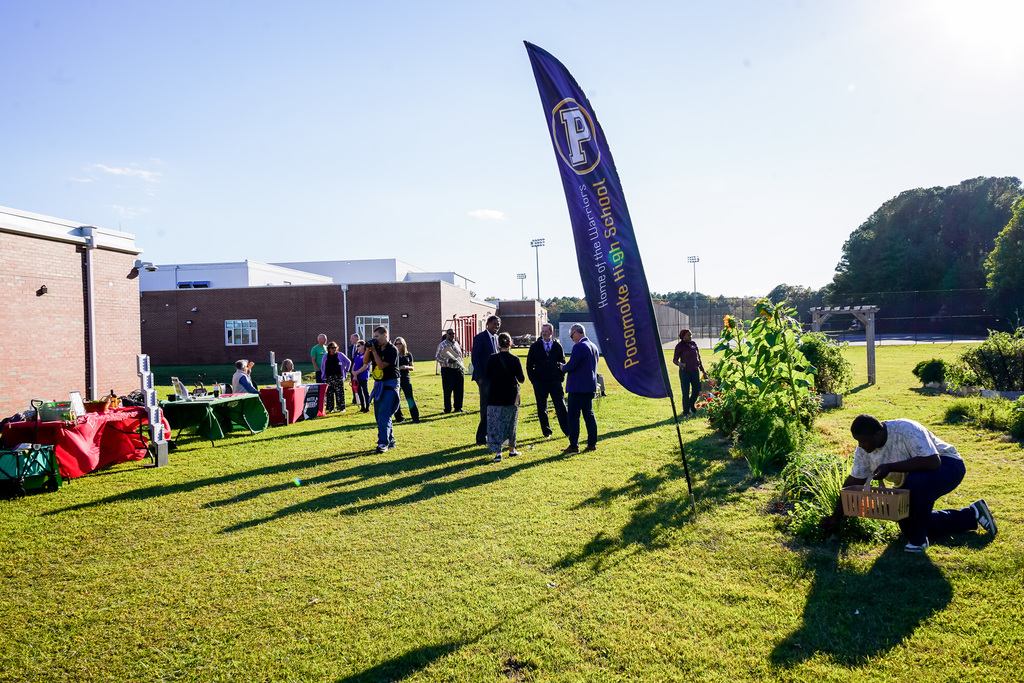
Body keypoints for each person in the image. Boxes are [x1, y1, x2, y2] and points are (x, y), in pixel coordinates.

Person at [820, 414, 997, 552]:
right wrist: (835, 517)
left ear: (879, 432)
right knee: (906, 521)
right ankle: (972, 515)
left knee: (917, 483)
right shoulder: (863, 451)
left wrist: (890, 467)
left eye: (865, 440)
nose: (861, 445)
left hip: (949, 465)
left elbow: (933, 462)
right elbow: (853, 482)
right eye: (858, 441)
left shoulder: (906, 429)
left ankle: (919, 542)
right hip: (914, 479)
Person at [485, 332, 525, 463]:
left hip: (494, 396)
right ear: (510, 343)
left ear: (498, 343)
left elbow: (487, 376)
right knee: (510, 424)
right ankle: (512, 450)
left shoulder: (492, 358)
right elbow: (522, 379)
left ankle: (498, 453)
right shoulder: (515, 359)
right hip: (510, 396)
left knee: (496, 424)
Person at [560, 324, 599, 454]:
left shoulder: (579, 346)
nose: (572, 339)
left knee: (573, 416)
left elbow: (571, 365)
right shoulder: (593, 346)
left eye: (572, 336)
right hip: (589, 387)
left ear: (576, 333)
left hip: (577, 388)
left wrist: (562, 367)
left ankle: (574, 445)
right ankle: (592, 443)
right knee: (589, 415)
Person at [526, 323, 568, 438]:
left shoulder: (557, 346)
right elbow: (529, 365)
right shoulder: (535, 347)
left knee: (560, 406)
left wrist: (561, 377)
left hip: (555, 381)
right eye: (542, 331)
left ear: (551, 332)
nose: (544, 333)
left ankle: (567, 430)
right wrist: (533, 380)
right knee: (541, 408)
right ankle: (546, 431)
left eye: (546, 331)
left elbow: (562, 363)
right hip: (540, 382)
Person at [365, 326, 401, 453]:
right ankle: (390, 440)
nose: (374, 339)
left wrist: (374, 352)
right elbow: (365, 362)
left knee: (384, 414)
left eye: (377, 337)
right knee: (379, 415)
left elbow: (380, 366)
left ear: (384, 335)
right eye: (373, 337)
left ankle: (382, 443)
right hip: (379, 384)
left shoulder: (392, 350)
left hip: (391, 383)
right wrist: (368, 349)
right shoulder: (376, 348)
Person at [471, 315, 501, 445]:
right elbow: (475, 359)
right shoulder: (480, 338)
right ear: (487, 324)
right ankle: (480, 437)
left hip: (495, 379)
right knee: (486, 408)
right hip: (484, 379)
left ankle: (491, 434)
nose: (496, 327)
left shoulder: (496, 338)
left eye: (498, 325)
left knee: (494, 407)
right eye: (494, 324)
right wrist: (480, 377)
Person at [673, 328, 706, 416]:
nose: (690, 336)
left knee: (696, 390)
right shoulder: (679, 346)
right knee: (685, 392)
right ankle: (686, 411)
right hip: (685, 372)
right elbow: (675, 360)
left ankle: (691, 404)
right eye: (688, 335)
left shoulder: (693, 344)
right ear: (683, 337)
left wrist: (703, 370)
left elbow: (698, 358)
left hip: (695, 371)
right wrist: (679, 363)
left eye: (691, 335)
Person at [435, 328, 466, 413]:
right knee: (448, 390)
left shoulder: (456, 344)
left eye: (453, 334)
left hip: (458, 369)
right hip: (448, 370)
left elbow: (460, 356)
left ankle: (458, 408)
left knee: (459, 390)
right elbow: (437, 357)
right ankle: (447, 409)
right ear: (446, 334)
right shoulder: (442, 344)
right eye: (450, 334)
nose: (452, 335)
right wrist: (448, 360)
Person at [392, 336, 420, 424]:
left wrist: (405, 367)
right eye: (396, 344)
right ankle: (399, 418)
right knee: (396, 398)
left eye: (400, 343)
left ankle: (415, 418)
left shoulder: (408, 354)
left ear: (403, 344)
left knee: (409, 398)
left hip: (405, 378)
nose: (398, 345)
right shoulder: (393, 354)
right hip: (396, 378)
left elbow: (412, 367)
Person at [319, 341, 350, 413]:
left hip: (338, 376)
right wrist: (323, 375)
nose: (334, 349)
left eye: (335, 348)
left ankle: (341, 408)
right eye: (332, 348)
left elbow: (348, 362)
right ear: (329, 348)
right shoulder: (325, 356)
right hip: (329, 377)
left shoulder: (340, 355)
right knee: (329, 393)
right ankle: (330, 408)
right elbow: (323, 366)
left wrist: (346, 370)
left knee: (340, 393)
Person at [351, 340, 370, 413]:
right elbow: (354, 364)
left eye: (359, 346)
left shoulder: (366, 354)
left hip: (363, 375)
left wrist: (356, 373)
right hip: (356, 376)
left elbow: (365, 366)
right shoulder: (357, 354)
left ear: (363, 346)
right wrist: (353, 372)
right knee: (359, 391)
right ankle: (362, 406)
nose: (357, 347)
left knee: (365, 391)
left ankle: (367, 407)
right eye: (357, 346)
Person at [347, 333, 361, 408]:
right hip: (352, 369)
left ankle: (361, 398)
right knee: (353, 384)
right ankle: (355, 399)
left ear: (356, 339)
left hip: (359, 369)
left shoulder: (361, 347)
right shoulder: (350, 347)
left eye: (352, 338)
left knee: (360, 384)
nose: (350, 340)